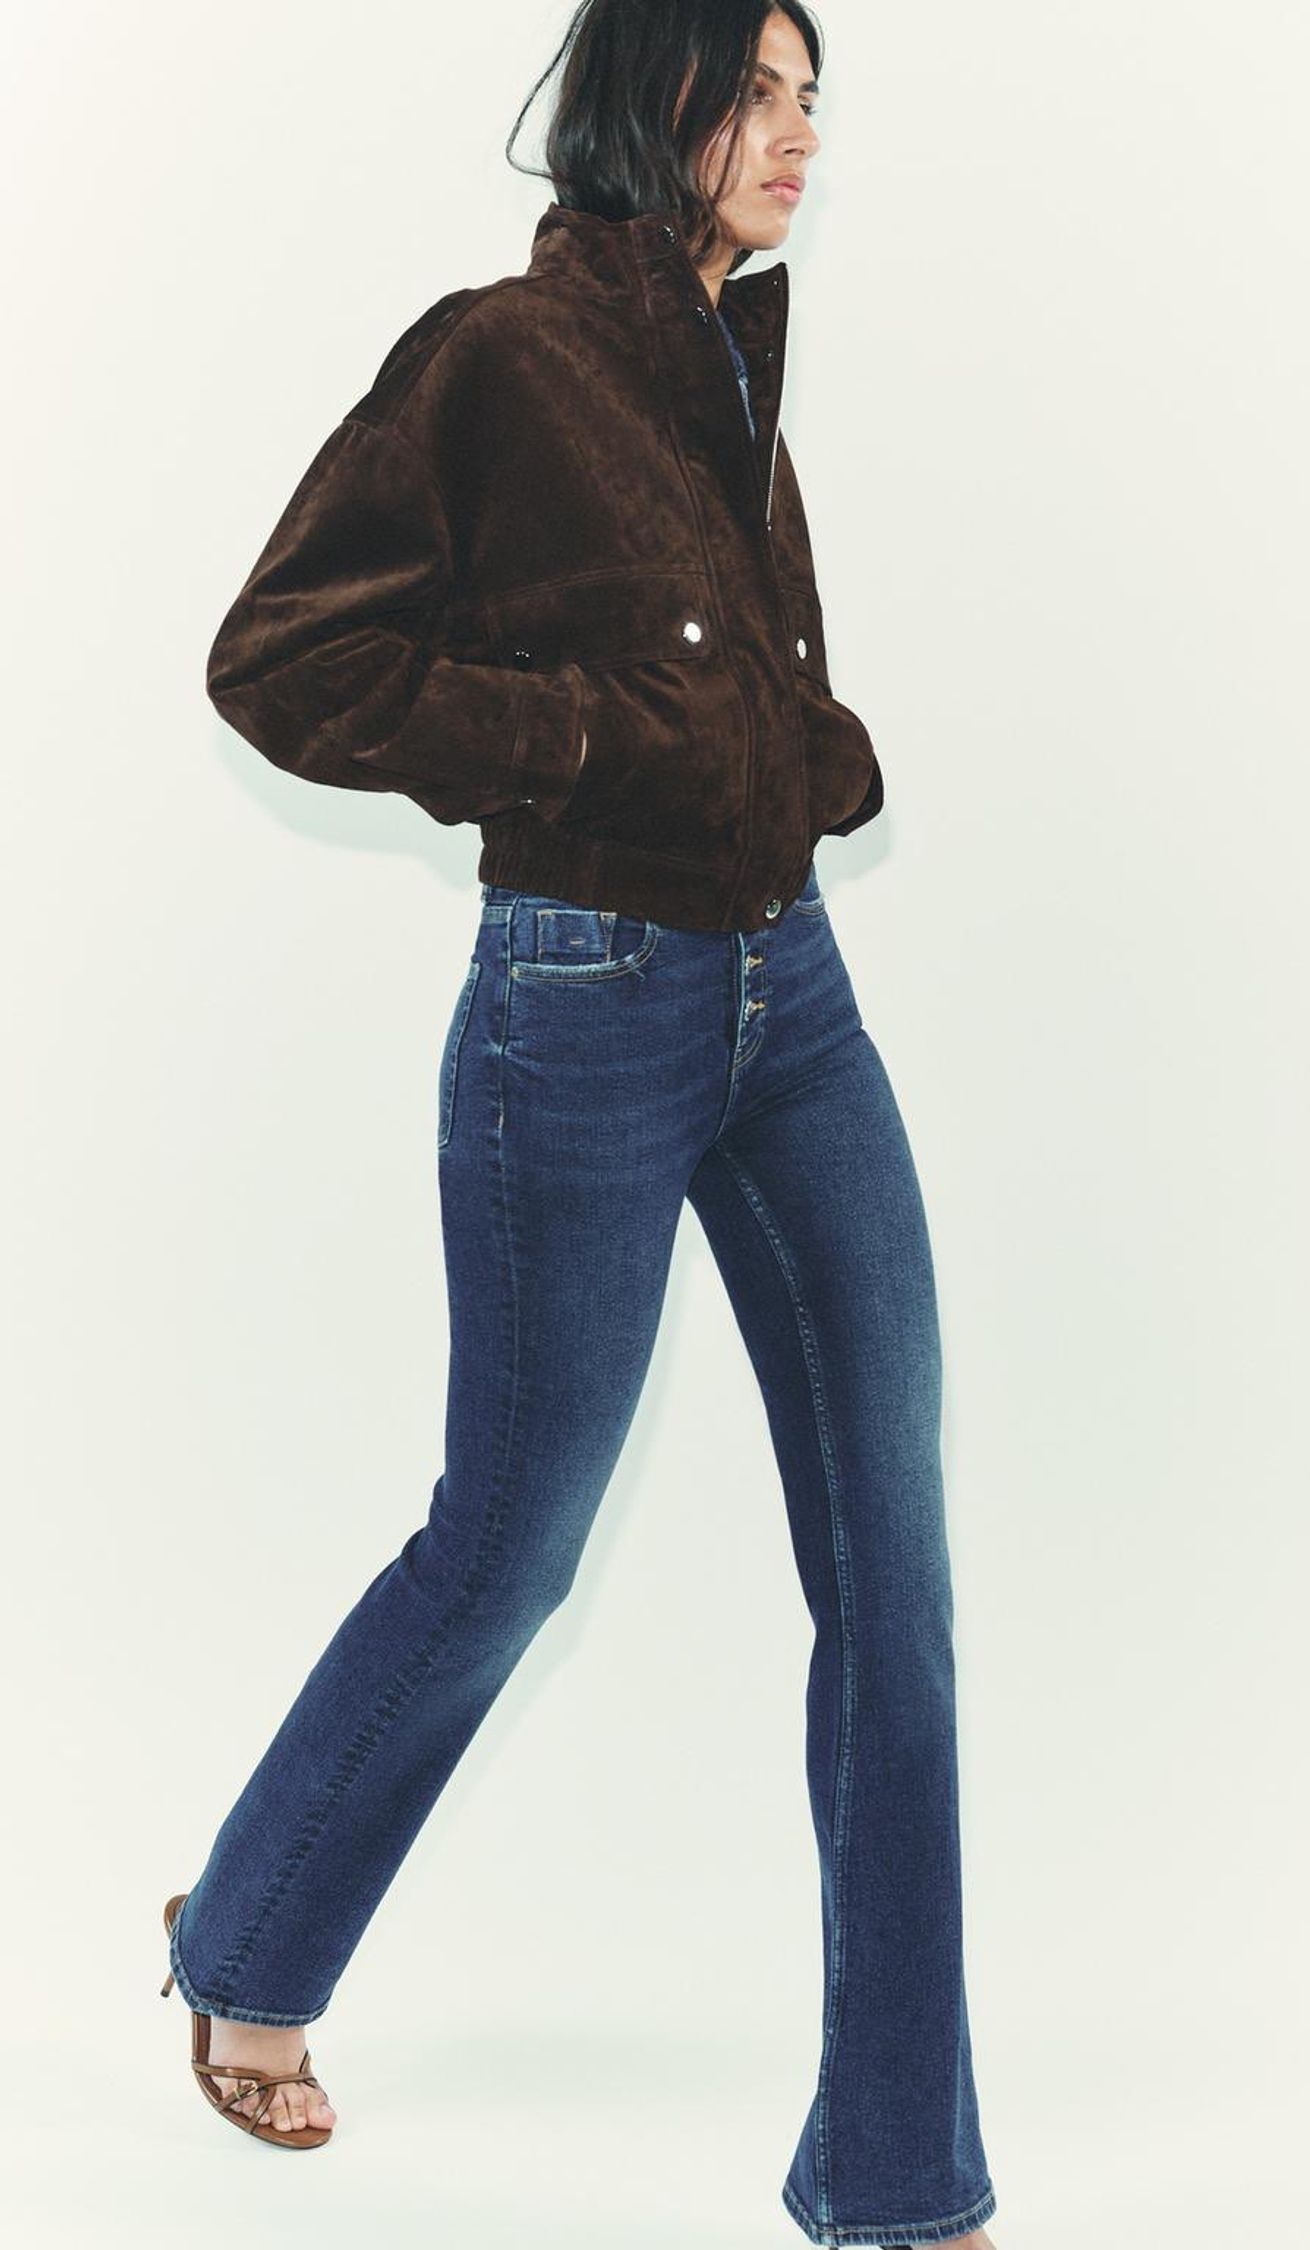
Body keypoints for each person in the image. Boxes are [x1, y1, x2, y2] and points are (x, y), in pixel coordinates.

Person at [161, 5, 996, 2243]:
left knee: (895, 1578)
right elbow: (282, 662)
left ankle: (901, 2176)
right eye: (756, 92)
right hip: (584, 1002)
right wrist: (595, 745)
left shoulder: (730, 356)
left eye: (814, 97)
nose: (797, 134)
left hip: (793, 996)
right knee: (512, 1542)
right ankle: (248, 1946)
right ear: (655, 101)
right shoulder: (501, 356)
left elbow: (719, 663)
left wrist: (805, 752)